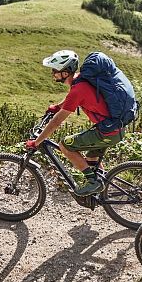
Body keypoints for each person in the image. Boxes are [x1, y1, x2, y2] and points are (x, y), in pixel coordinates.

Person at [24, 49, 126, 196]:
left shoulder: (78, 89)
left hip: (108, 132)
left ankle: (94, 183)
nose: (53, 73)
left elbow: (56, 122)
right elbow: (72, 99)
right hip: (115, 128)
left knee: (65, 145)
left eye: (55, 70)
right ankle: (100, 186)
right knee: (91, 159)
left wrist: (37, 142)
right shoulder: (80, 80)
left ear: (65, 72)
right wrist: (57, 106)